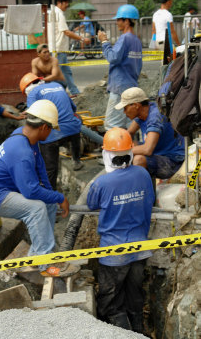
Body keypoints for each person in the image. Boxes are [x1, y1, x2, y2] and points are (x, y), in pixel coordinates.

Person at [0, 99, 79, 278]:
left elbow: (40, 168)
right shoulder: (21, 152)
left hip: (3, 190)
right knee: (36, 208)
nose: (52, 133)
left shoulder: (24, 135)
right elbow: (29, 192)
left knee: (48, 202)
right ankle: (43, 264)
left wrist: (53, 196)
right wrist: (61, 197)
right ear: (44, 127)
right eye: (52, 129)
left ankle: (46, 251)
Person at [87, 127, 154, 333]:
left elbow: (91, 205)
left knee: (110, 302)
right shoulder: (143, 173)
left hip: (113, 253)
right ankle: (138, 332)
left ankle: (119, 332)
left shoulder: (101, 183)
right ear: (131, 151)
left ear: (106, 154)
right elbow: (151, 200)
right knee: (135, 298)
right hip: (141, 249)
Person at [20, 73, 83, 190]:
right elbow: (73, 108)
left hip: (51, 137)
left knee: (50, 169)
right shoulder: (57, 85)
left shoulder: (33, 93)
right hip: (72, 130)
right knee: (75, 122)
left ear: (27, 89)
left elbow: (34, 117)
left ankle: (50, 195)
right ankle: (76, 160)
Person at [115, 87, 185, 179]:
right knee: (132, 145)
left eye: (125, 108)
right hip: (158, 153)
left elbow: (147, 150)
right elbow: (128, 133)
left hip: (172, 161)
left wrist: (120, 152)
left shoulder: (154, 118)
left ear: (136, 105)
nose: (124, 112)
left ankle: (141, 191)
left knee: (138, 160)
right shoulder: (144, 111)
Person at [98, 4, 142, 130]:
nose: (117, 22)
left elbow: (113, 58)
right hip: (132, 87)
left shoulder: (124, 38)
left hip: (120, 88)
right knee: (129, 126)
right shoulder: (136, 41)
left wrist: (104, 42)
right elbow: (138, 66)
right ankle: (131, 149)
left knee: (112, 125)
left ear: (126, 21)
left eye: (118, 19)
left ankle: (116, 149)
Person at [48, 0, 90, 97]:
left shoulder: (52, 12)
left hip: (57, 48)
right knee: (59, 73)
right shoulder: (59, 14)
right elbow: (66, 31)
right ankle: (58, 94)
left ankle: (74, 92)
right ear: (60, 3)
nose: (67, 6)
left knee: (66, 71)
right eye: (66, 3)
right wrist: (82, 39)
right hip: (58, 49)